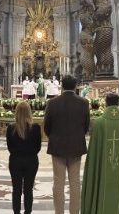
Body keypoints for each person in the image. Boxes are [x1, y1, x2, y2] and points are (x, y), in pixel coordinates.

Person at [43, 75, 90, 214]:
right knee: (75, 182)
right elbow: (86, 126)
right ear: (75, 86)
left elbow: (46, 126)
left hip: (57, 146)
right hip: (76, 146)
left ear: (61, 86)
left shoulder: (52, 103)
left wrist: (54, 137)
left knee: (58, 182)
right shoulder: (83, 102)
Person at [81, 93, 119, 213]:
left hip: (103, 170)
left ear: (105, 103)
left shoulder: (99, 123)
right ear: (118, 103)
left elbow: (94, 155)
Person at [7, 101, 42, 214]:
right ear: (29, 112)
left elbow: (10, 147)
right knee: (28, 190)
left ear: (16, 112)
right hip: (31, 161)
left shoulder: (11, 128)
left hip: (15, 161)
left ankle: (16, 212)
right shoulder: (35, 128)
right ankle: (28, 212)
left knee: (16, 190)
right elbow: (38, 147)